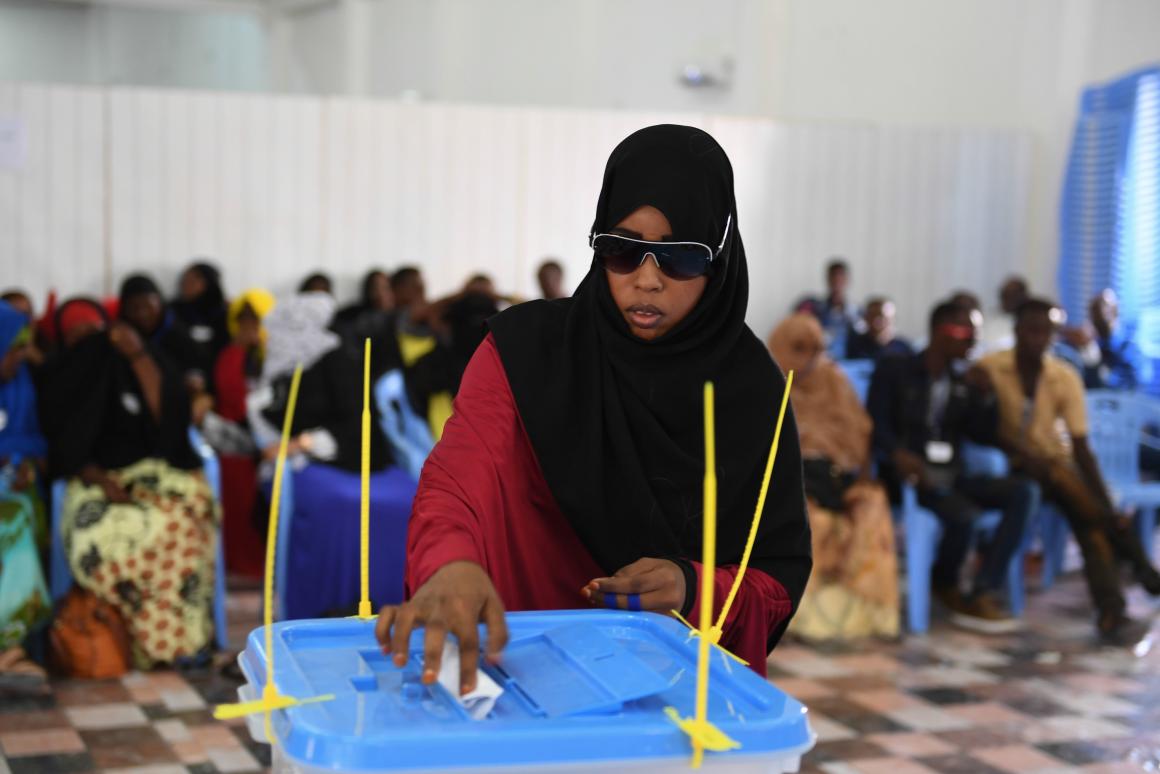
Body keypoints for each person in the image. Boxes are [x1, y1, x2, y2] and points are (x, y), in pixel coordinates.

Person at [375, 125, 812, 692]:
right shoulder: (526, 352)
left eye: (680, 258)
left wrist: (694, 587)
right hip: (524, 669)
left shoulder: (753, 392)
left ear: (719, 258)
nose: (646, 280)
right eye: (621, 250)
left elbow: (776, 577)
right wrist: (450, 564)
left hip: (673, 692)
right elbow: (458, 480)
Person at [39, 297, 217, 665]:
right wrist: (101, 480)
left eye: (94, 332)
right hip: (92, 481)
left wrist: (137, 357)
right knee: (104, 538)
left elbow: (168, 423)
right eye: (76, 335)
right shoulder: (61, 379)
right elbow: (65, 445)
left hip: (151, 476)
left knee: (181, 526)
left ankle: (177, 645)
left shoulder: (136, 364)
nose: (90, 343)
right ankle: (128, 645)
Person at [977, 298, 1160, 644]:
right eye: (1032, 330)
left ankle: (1112, 611)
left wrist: (1102, 497)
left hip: (1057, 470)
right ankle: (1139, 567)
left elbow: (1081, 449)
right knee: (1087, 511)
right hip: (1015, 470)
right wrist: (1109, 509)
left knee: (1087, 520)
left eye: (1046, 332)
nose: (1038, 338)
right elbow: (980, 424)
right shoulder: (991, 368)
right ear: (1018, 330)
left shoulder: (1064, 376)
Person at [868, 301, 1039, 633]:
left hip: (951, 473)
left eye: (976, 334)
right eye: (966, 333)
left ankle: (983, 588)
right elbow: (875, 425)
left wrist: (986, 397)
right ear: (940, 332)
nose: (973, 342)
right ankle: (946, 585)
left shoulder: (962, 380)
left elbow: (981, 434)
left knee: (1024, 492)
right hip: (908, 477)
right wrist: (898, 454)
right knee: (965, 514)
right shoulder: (895, 368)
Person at [769, 314, 899, 641]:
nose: (807, 359)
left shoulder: (834, 381)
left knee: (872, 507)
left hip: (835, 479)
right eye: (798, 348)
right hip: (784, 486)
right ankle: (801, 618)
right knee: (808, 521)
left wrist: (855, 474)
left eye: (814, 349)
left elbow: (862, 434)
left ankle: (863, 616)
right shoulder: (766, 383)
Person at [0, 300, 51, 689]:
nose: (20, 357)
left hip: (10, 488)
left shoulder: (21, 385)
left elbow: (34, 439)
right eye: (13, 349)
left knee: (19, 515)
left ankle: (12, 644)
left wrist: (20, 463)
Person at [210, 289, 275, 580]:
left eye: (256, 319)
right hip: (237, 439)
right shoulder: (230, 354)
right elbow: (232, 400)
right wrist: (238, 348)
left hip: (273, 438)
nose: (250, 327)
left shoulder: (276, 355)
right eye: (243, 320)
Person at [119, 274, 213, 395]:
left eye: (148, 306)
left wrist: (198, 379)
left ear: (160, 303)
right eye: (133, 308)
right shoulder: (121, 338)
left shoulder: (178, 330)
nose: (142, 314)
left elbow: (201, 366)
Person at [793, 259, 859, 357]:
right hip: (820, 359)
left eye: (840, 277)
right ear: (827, 279)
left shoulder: (857, 312)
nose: (837, 281)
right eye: (833, 277)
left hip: (849, 360)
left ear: (847, 280)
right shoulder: (814, 309)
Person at [171, 262, 230, 362]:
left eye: (192, 281)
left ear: (208, 284)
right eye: (185, 280)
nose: (186, 284)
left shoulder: (222, 313)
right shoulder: (174, 310)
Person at [332, 269, 395, 345]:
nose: (380, 293)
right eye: (375, 288)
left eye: (385, 288)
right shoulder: (351, 316)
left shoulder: (399, 318)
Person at [845, 297, 913, 361]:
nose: (876, 321)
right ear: (865, 318)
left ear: (893, 319)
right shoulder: (853, 345)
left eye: (882, 317)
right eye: (872, 316)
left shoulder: (903, 349)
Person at [977, 276, 1028, 354]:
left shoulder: (1027, 322)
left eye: (1013, 296)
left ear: (1023, 297)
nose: (1008, 300)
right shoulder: (988, 317)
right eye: (1005, 295)